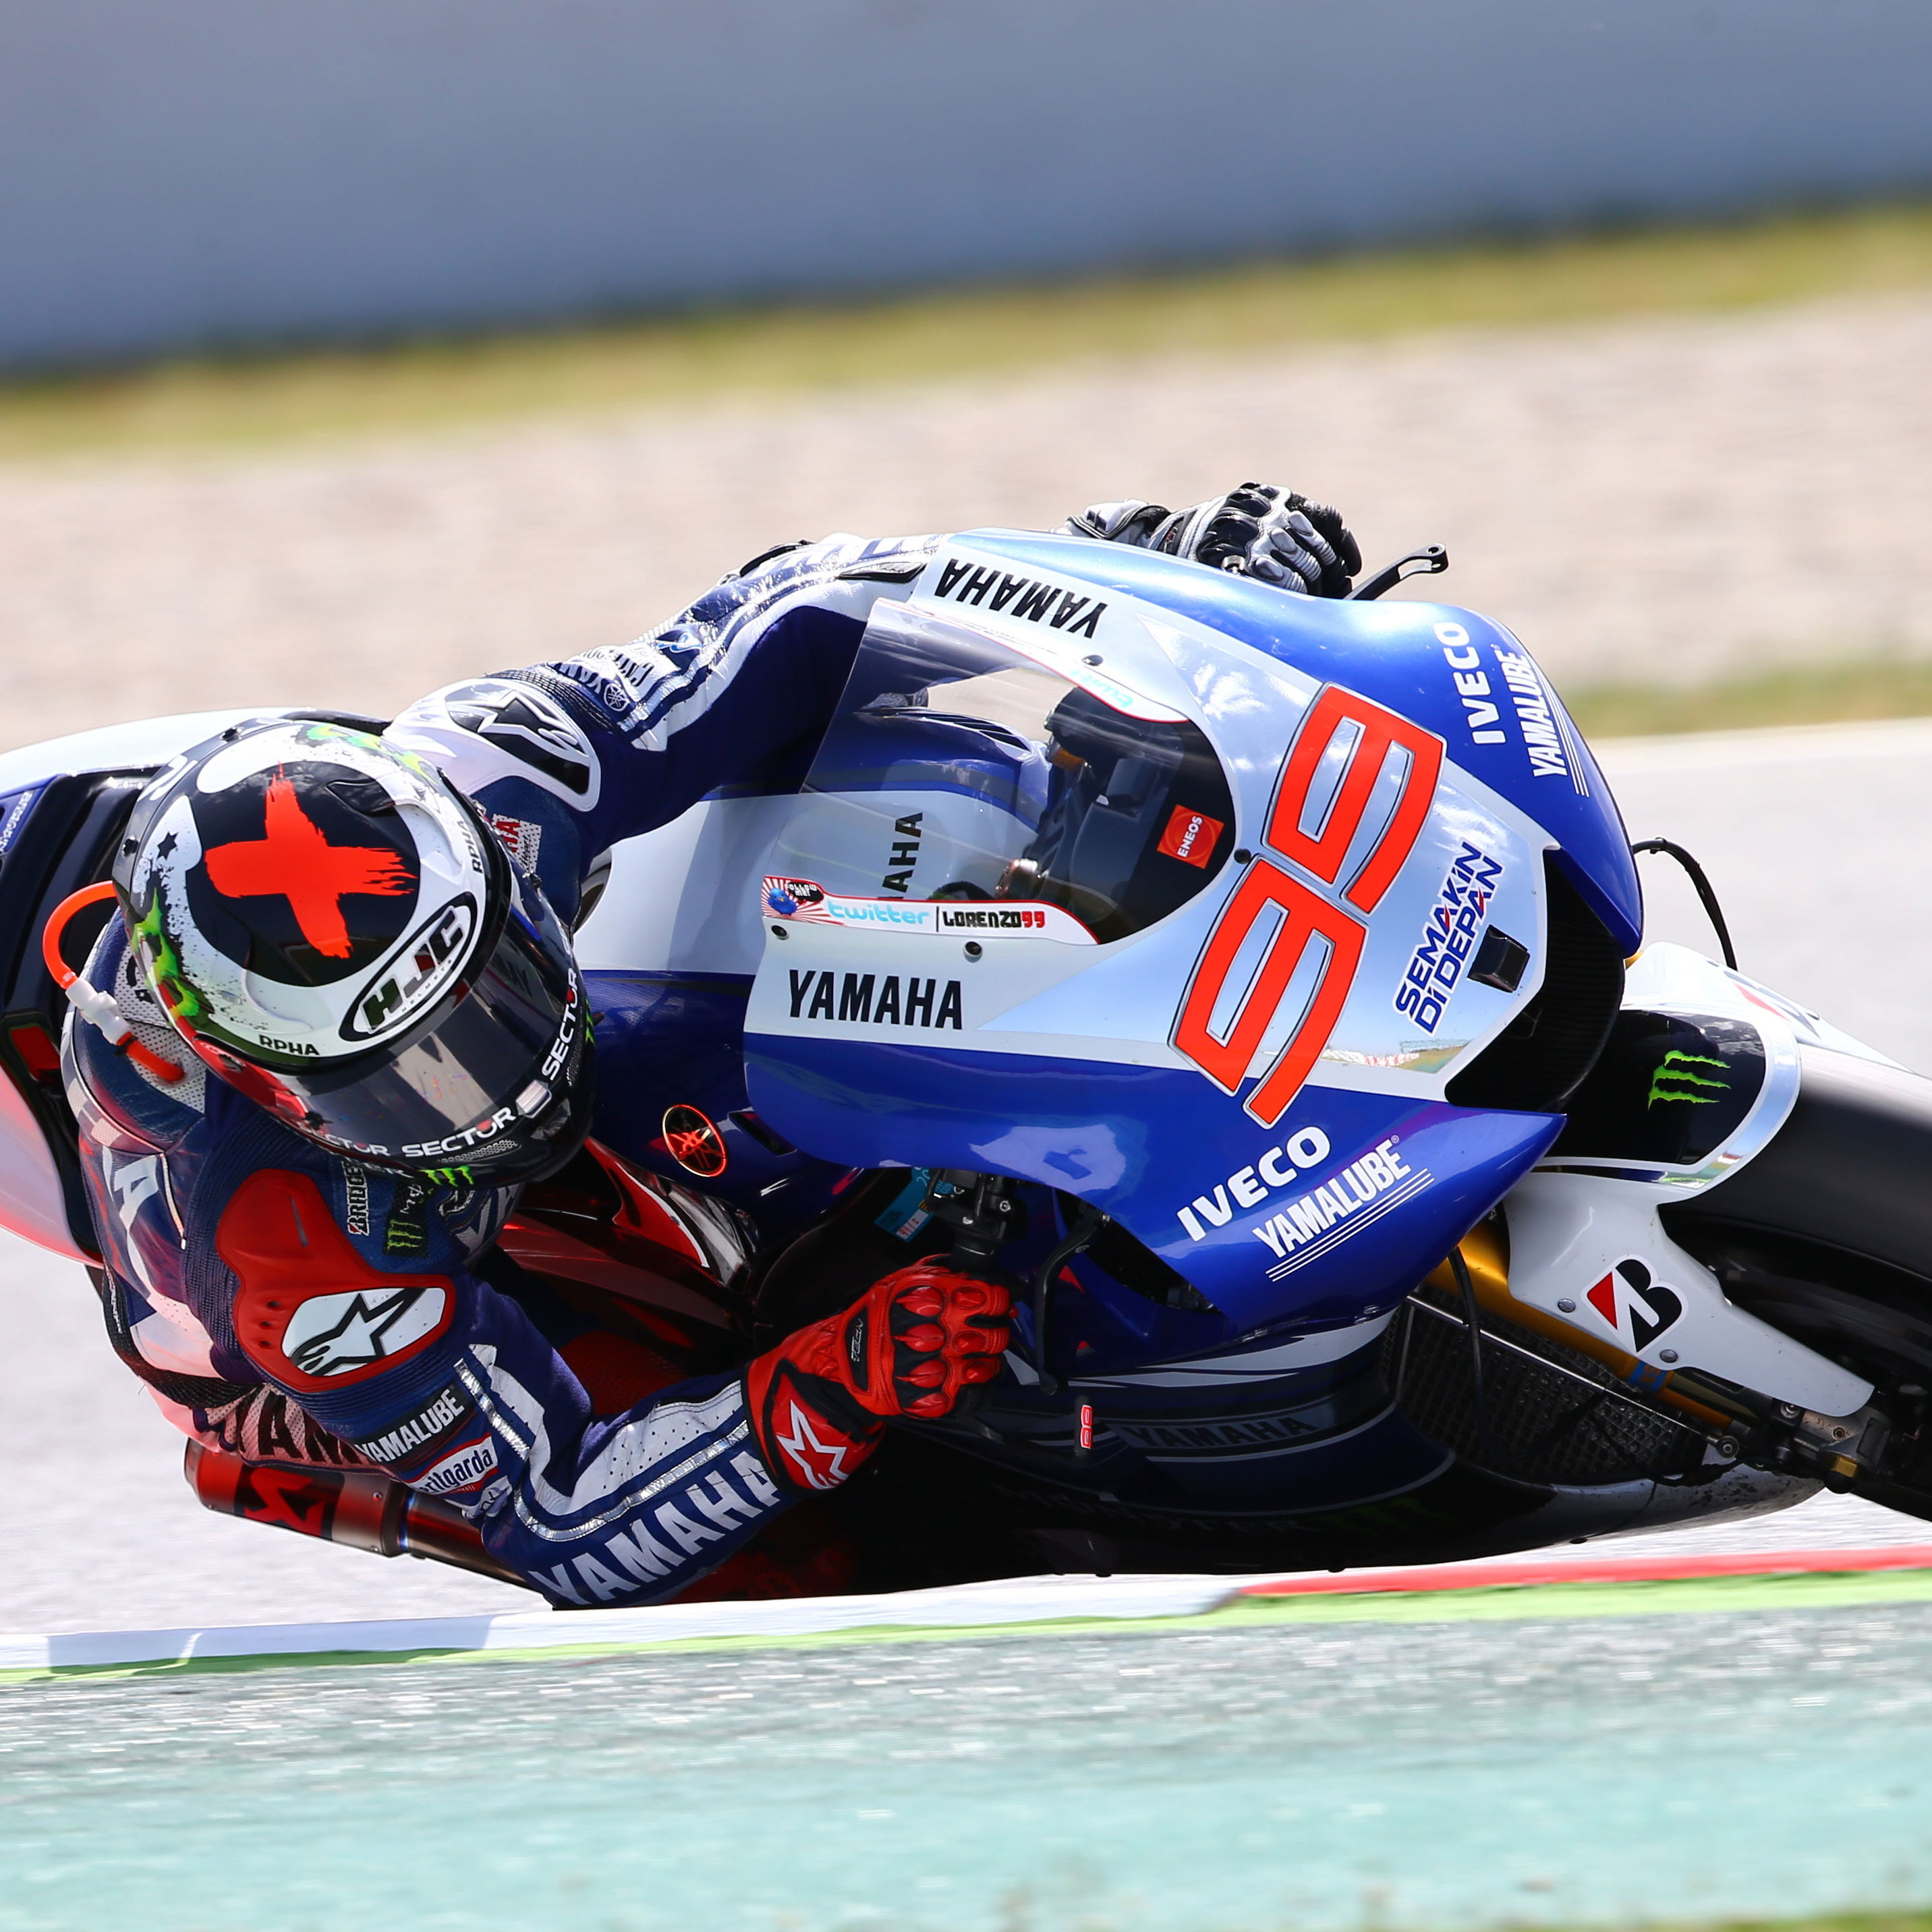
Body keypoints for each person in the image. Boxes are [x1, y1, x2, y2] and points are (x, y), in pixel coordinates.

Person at [68, 485, 1359, 1609]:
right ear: (273, 1084)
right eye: (411, 1075)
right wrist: (825, 1388)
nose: (497, 1076)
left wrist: (1140, 578)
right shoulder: (295, 1253)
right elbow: (566, 1515)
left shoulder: (493, 766)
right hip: (318, 1361)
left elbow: (797, 608)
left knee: (859, 749)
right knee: (801, 1564)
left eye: (492, 993)